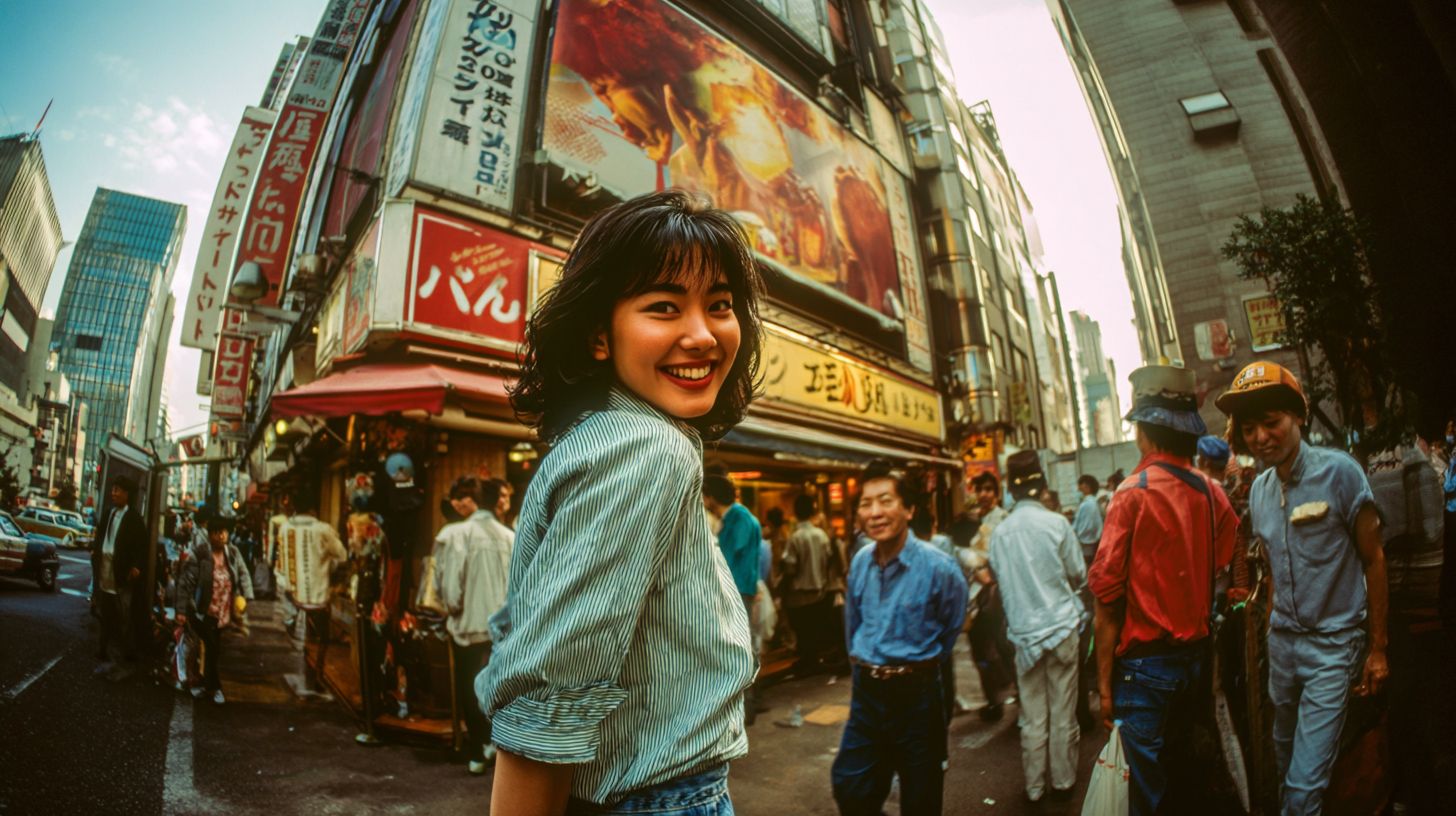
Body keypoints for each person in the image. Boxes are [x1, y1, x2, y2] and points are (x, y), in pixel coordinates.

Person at [477, 190, 760, 816]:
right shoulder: (648, 449)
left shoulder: (607, 437)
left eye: (720, 306)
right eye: (663, 307)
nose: (703, 335)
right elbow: (550, 689)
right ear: (598, 337)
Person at [1215, 361, 1389, 815]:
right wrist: (1273, 634)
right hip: (1284, 648)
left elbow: (1374, 559)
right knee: (1283, 758)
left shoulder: (1341, 473)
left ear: (1298, 417)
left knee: (1302, 788)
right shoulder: (1259, 490)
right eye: (1249, 428)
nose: (1259, 438)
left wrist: (1378, 649)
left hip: (1334, 647)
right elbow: (1270, 567)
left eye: (1271, 423)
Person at [1090, 365, 1237, 816]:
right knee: (1186, 777)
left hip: (1144, 668)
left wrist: (1103, 686)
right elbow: (1225, 559)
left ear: (1144, 432)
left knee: (1143, 791)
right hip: (1195, 660)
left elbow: (1107, 599)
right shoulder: (1214, 494)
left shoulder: (1131, 493)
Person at [831, 461, 968, 816]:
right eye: (866, 503)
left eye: (885, 501)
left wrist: (917, 664)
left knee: (920, 798)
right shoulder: (860, 561)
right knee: (851, 787)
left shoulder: (940, 568)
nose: (874, 512)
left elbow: (950, 628)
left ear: (909, 509)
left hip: (917, 695)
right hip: (868, 693)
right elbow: (854, 626)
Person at [986, 451, 1087, 804]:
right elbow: (1078, 574)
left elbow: (998, 578)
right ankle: (1062, 781)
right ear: (1042, 484)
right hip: (1061, 628)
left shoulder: (999, 535)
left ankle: (1033, 786)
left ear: (1010, 492)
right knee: (1063, 709)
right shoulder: (1057, 524)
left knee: (1031, 714)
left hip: (1025, 636)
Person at [434, 476, 515, 774]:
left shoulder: (456, 534)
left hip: (467, 624)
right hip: (503, 628)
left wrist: (452, 608)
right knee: (496, 683)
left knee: (469, 685)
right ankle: (496, 743)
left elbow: (450, 587)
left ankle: (477, 749)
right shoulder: (510, 537)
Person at [703, 472, 762, 723]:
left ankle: (745, 709)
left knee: (740, 649)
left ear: (710, 498)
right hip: (741, 590)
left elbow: (726, 558)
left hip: (737, 592)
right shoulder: (737, 517)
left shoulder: (738, 519)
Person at [176, 514, 253, 705]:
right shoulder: (200, 553)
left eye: (224, 532)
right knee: (211, 646)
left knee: (213, 648)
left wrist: (247, 595)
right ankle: (215, 687)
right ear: (210, 535)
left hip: (223, 609)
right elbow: (186, 582)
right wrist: (181, 610)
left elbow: (243, 572)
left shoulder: (233, 552)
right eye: (217, 533)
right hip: (202, 609)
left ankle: (203, 684)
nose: (221, 536)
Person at [966, 470, 1015, 722]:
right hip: (976, 599)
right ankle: (993, 700)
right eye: (979, 490)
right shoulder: (972, 521)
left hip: (997, 596)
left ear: (996, 494)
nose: (983, 494)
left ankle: (1014, 696)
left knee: (1002, 648)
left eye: (988, 489)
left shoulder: (1003, 520)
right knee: (980, 650)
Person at [92, 476, 149, 680]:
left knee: (122, 617)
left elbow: (142, 547)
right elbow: (100, 538)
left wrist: (136, 567)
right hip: (105, 571)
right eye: (113, 489)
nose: (113, 493)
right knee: (105, 614)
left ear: (127, 494)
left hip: (122, 575)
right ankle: (105, 654)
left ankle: (123, 660)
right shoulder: (109, 513)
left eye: (117, 490)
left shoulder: (134, 518)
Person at [780, 493, 833, 676]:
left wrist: (783, 589)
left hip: (799, 593)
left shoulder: (795, 537)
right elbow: (828, 562)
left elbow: (790, 568)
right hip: (819, 591)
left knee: (802, 630)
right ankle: (813, 661)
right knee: (814, 629)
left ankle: (807, 662)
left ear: (796, 512)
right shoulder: (822, 535)